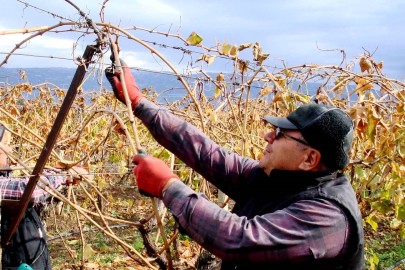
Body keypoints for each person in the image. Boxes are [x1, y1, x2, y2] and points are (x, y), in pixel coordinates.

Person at [106, 60, 365, 269]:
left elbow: (241, 239)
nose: (268, 136)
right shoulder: (275, 177)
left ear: (310, 159)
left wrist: (167, 186)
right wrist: (139, 102)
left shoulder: (329, 217)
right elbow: (205, 153)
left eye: (281, 134)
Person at [0, 124, 91, 270]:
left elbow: (29, 185)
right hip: (17, 261)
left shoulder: (5, 178)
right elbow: (29, 192)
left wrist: (60, 176)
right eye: (4, 144)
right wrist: (62, 175)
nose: (9, 150)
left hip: (31, 257)